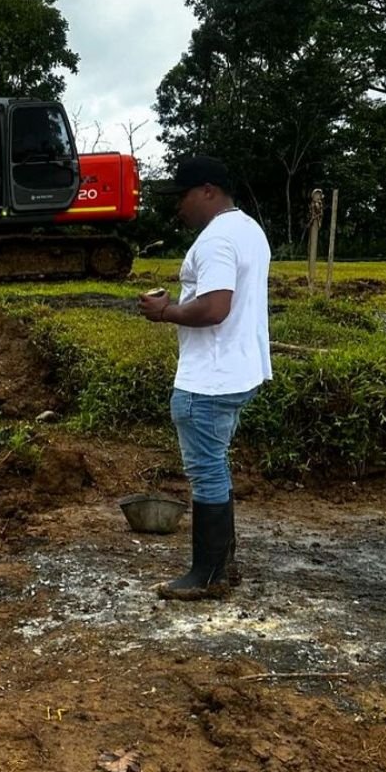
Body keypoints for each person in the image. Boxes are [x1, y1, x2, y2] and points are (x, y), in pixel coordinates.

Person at [138, 155, 271, 601]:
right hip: (238, 370)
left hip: (208, 379)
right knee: (215, 466)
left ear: (208, 190)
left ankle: (208, 574)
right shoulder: (249, 230)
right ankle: (223, 565)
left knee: (207, 472)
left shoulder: (214, 240)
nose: (178, 206)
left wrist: (165, 312)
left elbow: (215, 308)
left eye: (183, 196)